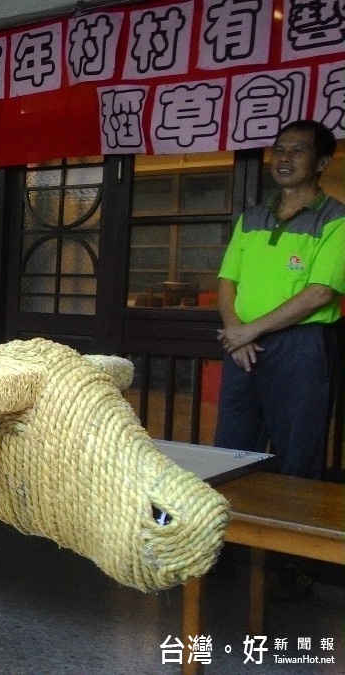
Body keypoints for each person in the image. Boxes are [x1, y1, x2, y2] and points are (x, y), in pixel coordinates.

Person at [214, 120, 343, 601]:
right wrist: (235, 332)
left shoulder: (334, 219)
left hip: (300, 347)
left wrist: (251, 329)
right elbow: (227, 282)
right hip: (242, 346)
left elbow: (320, 292)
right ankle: (222, 552)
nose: (284, 158)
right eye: (279, 150)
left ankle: (290, 568)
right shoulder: (251, 217)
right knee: (231, 449)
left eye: (297, 150)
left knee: (296, 455)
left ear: (323, 162)